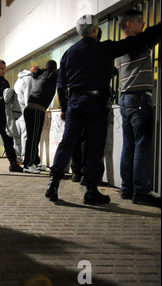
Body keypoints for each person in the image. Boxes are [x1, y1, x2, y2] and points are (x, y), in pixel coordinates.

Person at [45, 14, 161, 205]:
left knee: (67, 142)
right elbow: (135, 42)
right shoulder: (104, 48)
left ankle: (53, 183)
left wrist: (65, 108)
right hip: (96, 103)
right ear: (95, 30)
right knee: (94, 146)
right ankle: (91, 190)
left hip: (74, 102)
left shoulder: (69, 53)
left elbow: (60, 83)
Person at [116, 10, 161, 207]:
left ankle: (127, 189)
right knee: (142, 145)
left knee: (129, 146)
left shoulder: (118, 50)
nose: (143, 24)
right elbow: (155, 32)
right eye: (139, 22)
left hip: (126, 99)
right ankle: (141, 192)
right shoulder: (135, 43)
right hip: (139, 99)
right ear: (129, 25)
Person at [22, 61, 58, 174]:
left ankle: (36, 162)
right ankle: (28, 165)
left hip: (31, 109)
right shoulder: (52, 75)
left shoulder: (42, 74)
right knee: (33, 138)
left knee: (33, 137)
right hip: (37, 109)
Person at [12, 66, 39, 163]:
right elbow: (28, 97)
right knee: (25, 134)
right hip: (23, 108)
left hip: (16, 109)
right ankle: (25, 158)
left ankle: (18, 157)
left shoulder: (18, 79)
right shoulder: (29, 78)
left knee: (17, 135)